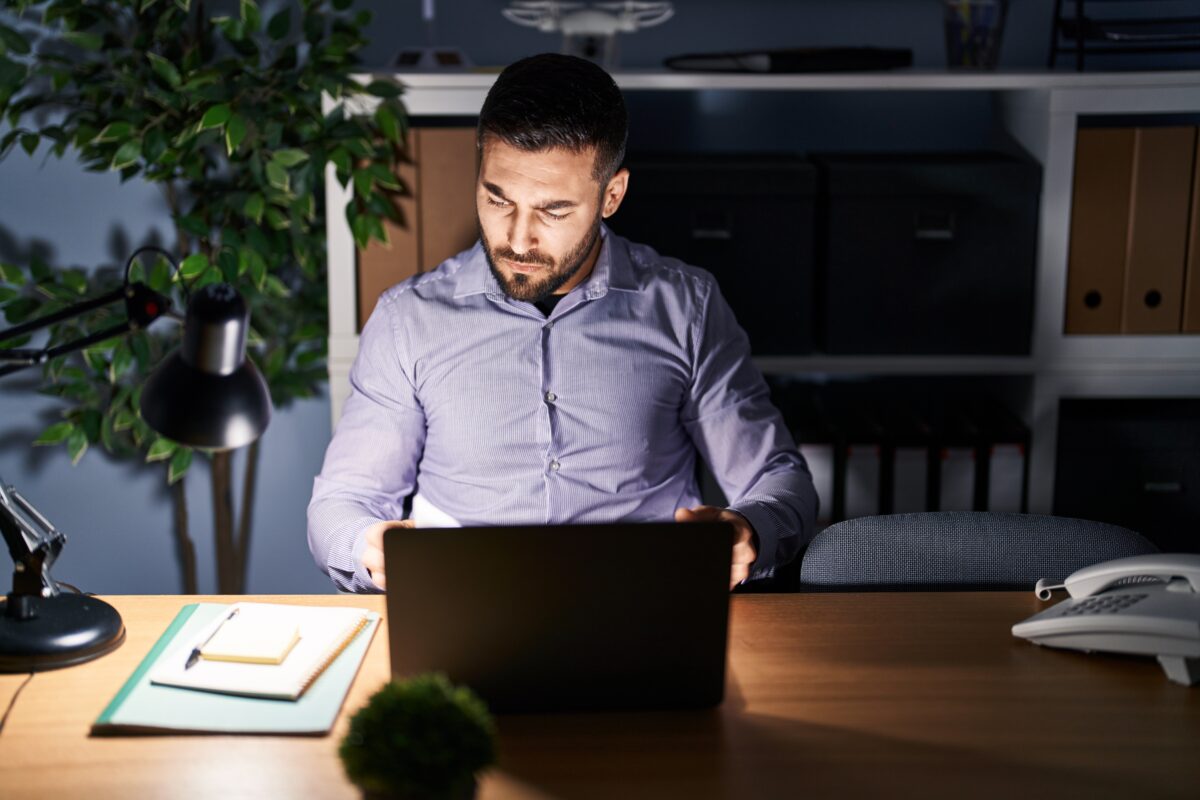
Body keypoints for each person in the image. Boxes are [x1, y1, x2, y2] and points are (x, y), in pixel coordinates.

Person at [308, 53, 817, 593]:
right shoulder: (407, 318)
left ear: (612, 195)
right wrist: (370, 547)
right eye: (496, 198)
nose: (517, 238)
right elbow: (341, 504)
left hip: (645, 608)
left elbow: (780, 482)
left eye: (552, 211)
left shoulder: (686, 308)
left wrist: (749, 532)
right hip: (462, 609)